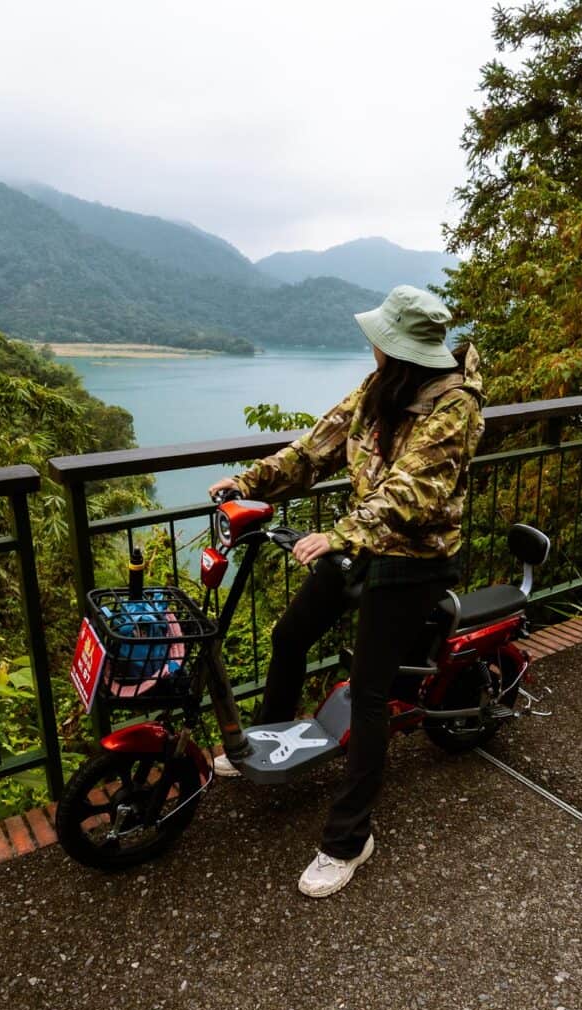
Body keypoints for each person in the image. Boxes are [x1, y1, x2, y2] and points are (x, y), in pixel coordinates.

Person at [208, 285, 484, 898]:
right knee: (290, 634)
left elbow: (413, 491)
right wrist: (250, 483)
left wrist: (341, 533)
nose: (372, 345)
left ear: (399, 346)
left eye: (380, 338)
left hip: (415, 558)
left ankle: (350, 838)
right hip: (358, 544)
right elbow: (315, 449)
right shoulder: (376, 390)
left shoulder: (453, 407)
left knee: (368, 690)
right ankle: (266, 747)